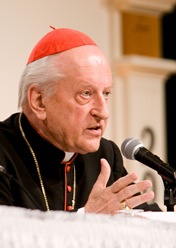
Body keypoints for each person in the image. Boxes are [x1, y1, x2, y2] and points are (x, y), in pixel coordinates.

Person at [0, 27, 160, 214]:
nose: (103, 112)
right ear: (39, 101)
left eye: (106, 93)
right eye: (86, 93)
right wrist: (87, 219)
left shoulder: (105, 155)